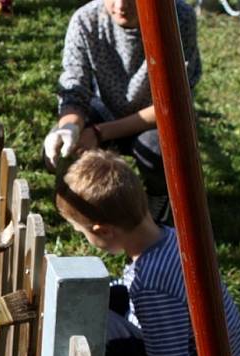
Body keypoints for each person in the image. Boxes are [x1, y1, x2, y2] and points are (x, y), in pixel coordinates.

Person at [55, 150, 240, 356]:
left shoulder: (150, 283)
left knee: (111, 351)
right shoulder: (174, 237)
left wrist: (135, 346)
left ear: (103, 231)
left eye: (81, 232)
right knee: (110, 305)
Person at [43, 0, 201, 223]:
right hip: (103, 108)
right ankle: (89, 211)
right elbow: (75, 85)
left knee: (158, 152)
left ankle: (159, 199)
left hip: (152, 118)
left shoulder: (178, 18)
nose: (121, 5)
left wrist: (99, 133)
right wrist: (70, 127)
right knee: (65, 151)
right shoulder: (86, 20)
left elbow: (173, 103)